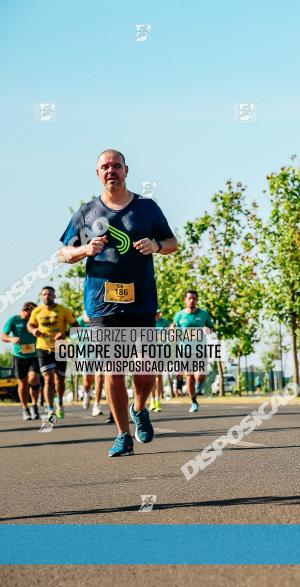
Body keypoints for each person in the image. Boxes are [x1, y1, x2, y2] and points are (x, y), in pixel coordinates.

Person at [58, 149, 178, 456]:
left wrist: (156, 245)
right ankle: (123, 434)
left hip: (141, 302)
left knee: (145, 364)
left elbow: (173, 243)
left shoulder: (147, 207)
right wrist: (85, 250)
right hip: (101, 305)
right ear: (97, 173)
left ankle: (140, 409)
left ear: (126, 170)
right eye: (104, 166)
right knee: (112, 369)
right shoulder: (86, 212)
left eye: (116, 165)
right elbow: (63, 254)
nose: (111, 170)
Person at [27, 286, 76, 423]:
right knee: (48, 379)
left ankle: (59, 402)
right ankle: (50, 410)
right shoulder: (37, 311)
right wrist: (34, 331)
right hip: (43, 348)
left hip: (61, 348)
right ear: (41, 296)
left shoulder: (63, 310)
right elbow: (30, 325)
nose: (47, 296)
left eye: (49, 294)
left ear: (54, 296)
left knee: (59, 380)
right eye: (44, 294)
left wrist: (64, 334)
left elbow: (76, 326)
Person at [173, 290, 214, 413]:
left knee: (200, 375)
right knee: (190, 378)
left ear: (197, 300)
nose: (192, 300)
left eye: (194, 298)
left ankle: (199, 384)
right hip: (185, 351)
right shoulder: (179, 315)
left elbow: (211, 328)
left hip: (200, 350)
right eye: (189, 298)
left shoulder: (204, 314)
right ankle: (194, 402)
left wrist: (208, 330)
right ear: (185, 300)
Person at [2, 302, 41, 420]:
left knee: (34, 379)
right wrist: (11, 339)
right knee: (22, 383)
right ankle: (25, 408)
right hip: (19, 356)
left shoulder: (35, 321)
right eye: (29, 314)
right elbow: (3, 336)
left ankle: (34, 405)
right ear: (24, 311)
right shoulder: (13, 319)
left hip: (34, 355)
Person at [150, 310, 171, 412]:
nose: (157, 314)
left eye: (158, 312)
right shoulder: (148, 321)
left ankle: (158, 400)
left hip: (161, 351)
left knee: (159, 375)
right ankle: (152, 399)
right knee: (151, 376)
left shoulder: (165, 322)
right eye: (155, 312)